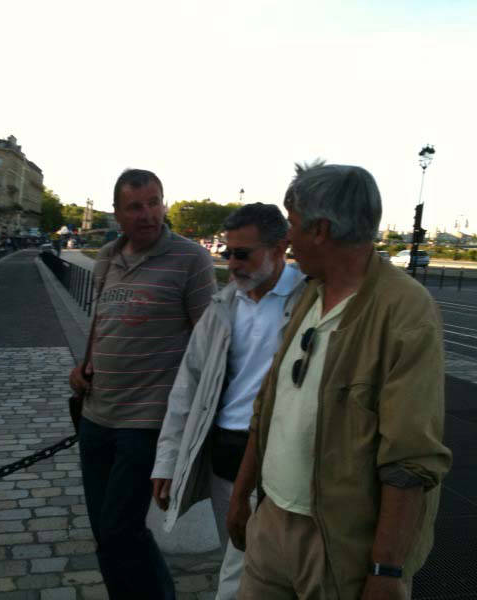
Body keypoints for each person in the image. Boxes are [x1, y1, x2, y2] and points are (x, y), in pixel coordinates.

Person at [228, 162, 452, 600]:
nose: (287, 238)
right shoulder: (312, 291)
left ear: (320, 230)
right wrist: (242, 496)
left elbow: (411, 458)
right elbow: (269, 405)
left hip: (339, 547)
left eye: (292, 224)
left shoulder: (405, 311)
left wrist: (386, 571)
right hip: (272, 524)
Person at [68, 169, 217, 600]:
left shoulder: (191, 259)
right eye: (136, 206)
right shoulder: (106, 257)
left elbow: (209, 342)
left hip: (147, 421)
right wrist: (84, 366)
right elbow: (101, 323)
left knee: (121, 528)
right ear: (117, 213)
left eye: (155, 202)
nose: (148, 214)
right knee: (105, 532)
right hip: (96, 415)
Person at [151, 203, 305, 599]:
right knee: (238, 558)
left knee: (245, 577)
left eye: (242, 253)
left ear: (279, 249)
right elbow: (188, 386)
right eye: (227, 252)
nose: (232, 263)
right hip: (226, 456)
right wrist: (167, 461)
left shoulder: (309, 300)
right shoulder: (224, 305)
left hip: (281, 460)